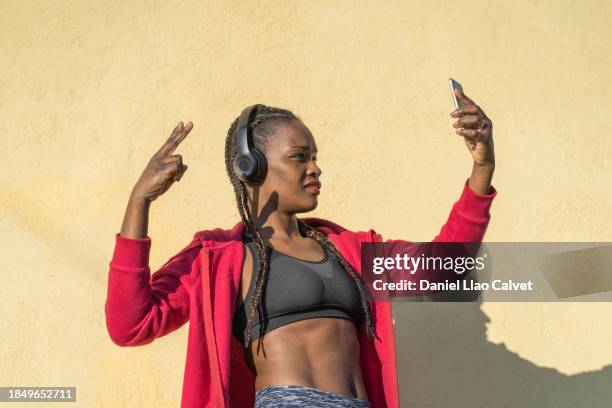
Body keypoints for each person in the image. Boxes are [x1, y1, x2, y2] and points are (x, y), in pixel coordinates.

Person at [105, 90, 497, 408]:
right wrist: (139, 201)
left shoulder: (351, 249)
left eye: (314, 157)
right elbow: (131, 324)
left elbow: (443, 265)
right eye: (299, 157)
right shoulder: (219, 255)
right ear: (251, 166)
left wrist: (482, 168)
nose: (314, 168)